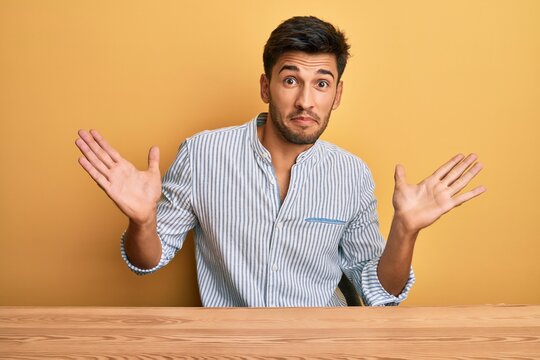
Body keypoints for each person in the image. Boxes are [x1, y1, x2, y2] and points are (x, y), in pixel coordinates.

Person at [75, 16, 485, 307]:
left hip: (325, 347)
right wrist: (142, 222)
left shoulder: (351, 174)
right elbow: (147, 261)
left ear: (337, 95)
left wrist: (405, 231)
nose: (306, 100)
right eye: (291, 80)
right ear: (266, 87)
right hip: (232, 349)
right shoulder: (202, 155)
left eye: (321, 84)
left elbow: (380, 292)